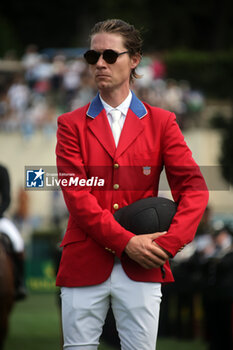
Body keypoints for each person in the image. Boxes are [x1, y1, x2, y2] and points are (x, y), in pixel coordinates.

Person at [55, 19, 209, 350]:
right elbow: (77, 197)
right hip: (84, 261)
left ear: (134, 59)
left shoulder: (162, 122)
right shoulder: (69, 125)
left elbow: (194, 190)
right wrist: (127, 242)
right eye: (92, 56)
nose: (99, 63)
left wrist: (167, 246)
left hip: (144, 264)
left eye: (110, 55)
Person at [0, 164, 27, 300]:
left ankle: (20, 283)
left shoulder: (2, 170)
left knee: (18, 243)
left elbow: (7, 199)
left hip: (0, 218)